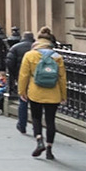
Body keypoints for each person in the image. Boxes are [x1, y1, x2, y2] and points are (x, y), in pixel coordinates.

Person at [18, 27, 67, 160]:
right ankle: (49, 149)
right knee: (50, 120)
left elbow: (24, 75)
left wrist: (22, 91)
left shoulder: (30, 55)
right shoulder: (57, 57)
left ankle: (39, 140)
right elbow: (62, 78)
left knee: (36, 117)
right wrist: (63, 95)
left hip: (35, 91)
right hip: (54, 92)